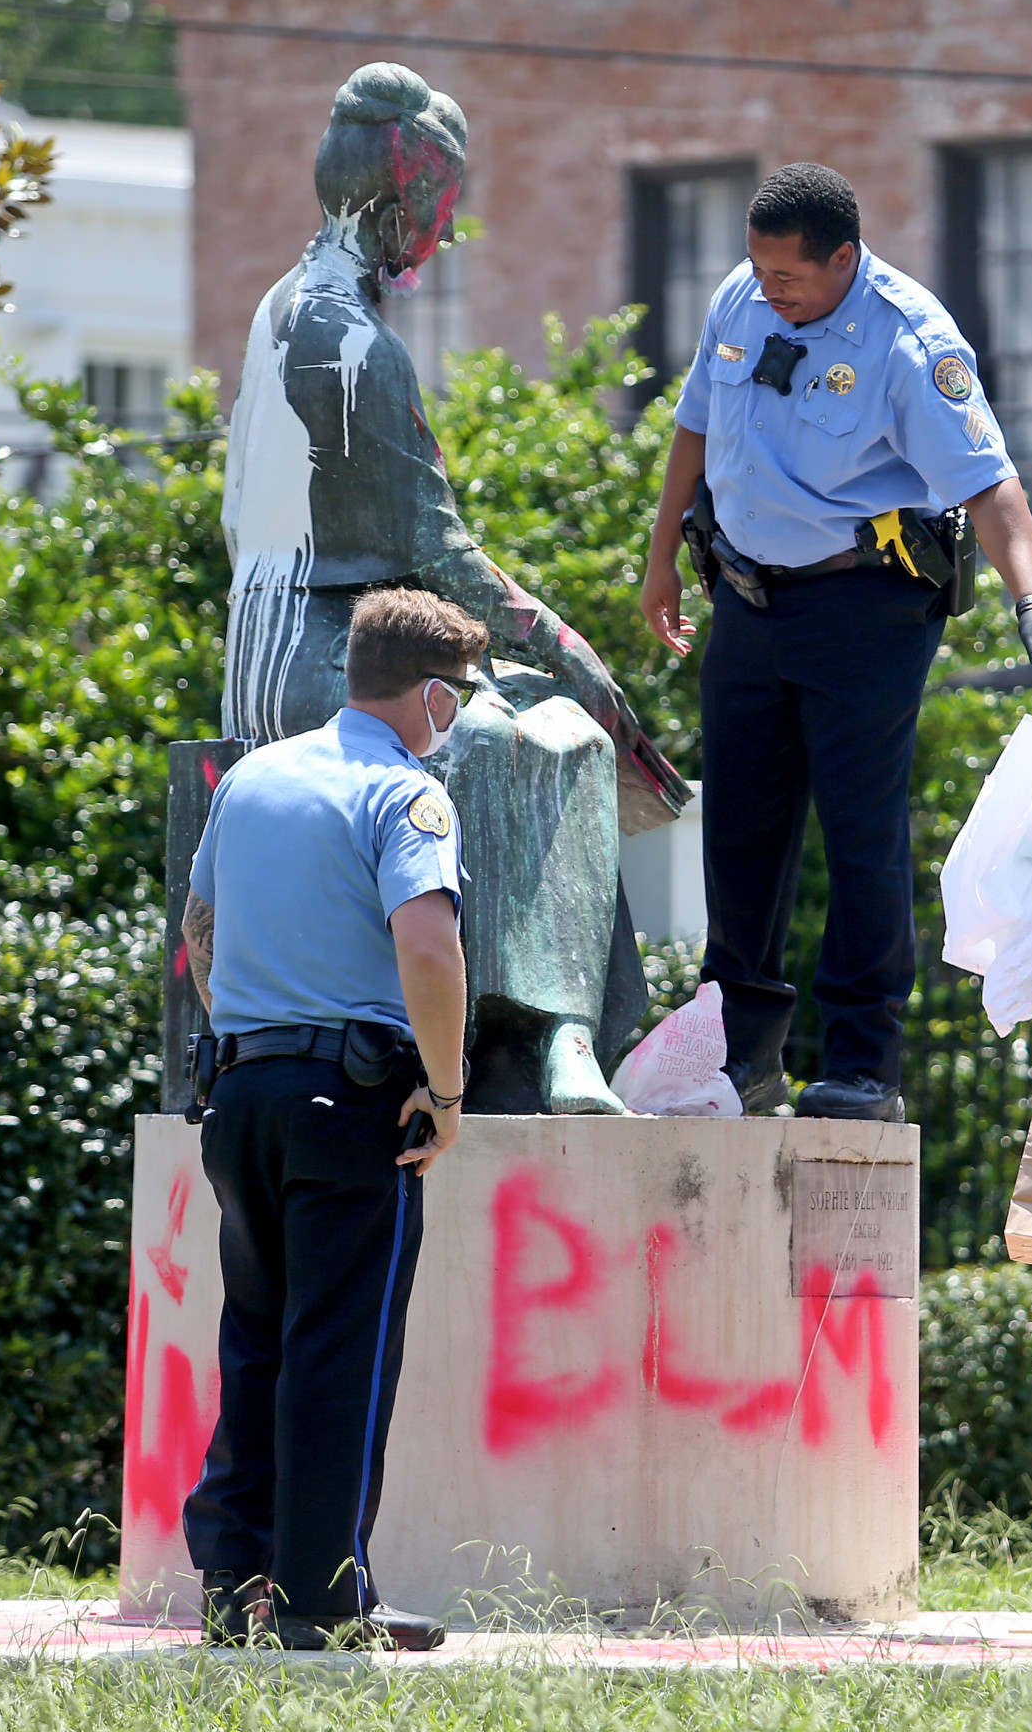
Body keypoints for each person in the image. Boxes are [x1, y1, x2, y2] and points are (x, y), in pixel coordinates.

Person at [220, 60, 688, 1114]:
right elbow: (445, 552)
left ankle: (566, 1032)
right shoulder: (352, 345)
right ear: (402, 203)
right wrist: (581, 656)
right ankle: (554, 1034)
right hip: (323, 658)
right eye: (444, 205)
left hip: (295, 642)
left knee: (523, 724)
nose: (446, 231)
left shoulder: (282, 308)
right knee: (540, 732)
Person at [639, 162, 1032, 1123]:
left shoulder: (911, 340)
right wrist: (661, 560)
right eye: (759, 272)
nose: (770, 292)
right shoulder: (743, 293)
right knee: (741, 835)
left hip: (865, 606)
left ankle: (862, 1066)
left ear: (843, 258)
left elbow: (991, 482)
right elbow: (691, 427)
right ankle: (738, 1058)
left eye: (790, 278)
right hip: (747, 597)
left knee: (859, 831)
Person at [176, 588, 483, 1651]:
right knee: (339, 1349)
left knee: (255, 1339)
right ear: (433, 694)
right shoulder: (406, 796)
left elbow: (199, 928)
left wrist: (256, 1035)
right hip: (352, 1103)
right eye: (462, 695)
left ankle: (231, 1583)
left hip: (243, 1093)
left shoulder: (251, 778)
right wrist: (443, 1095)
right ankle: (323, 1596)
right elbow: (429, 949)